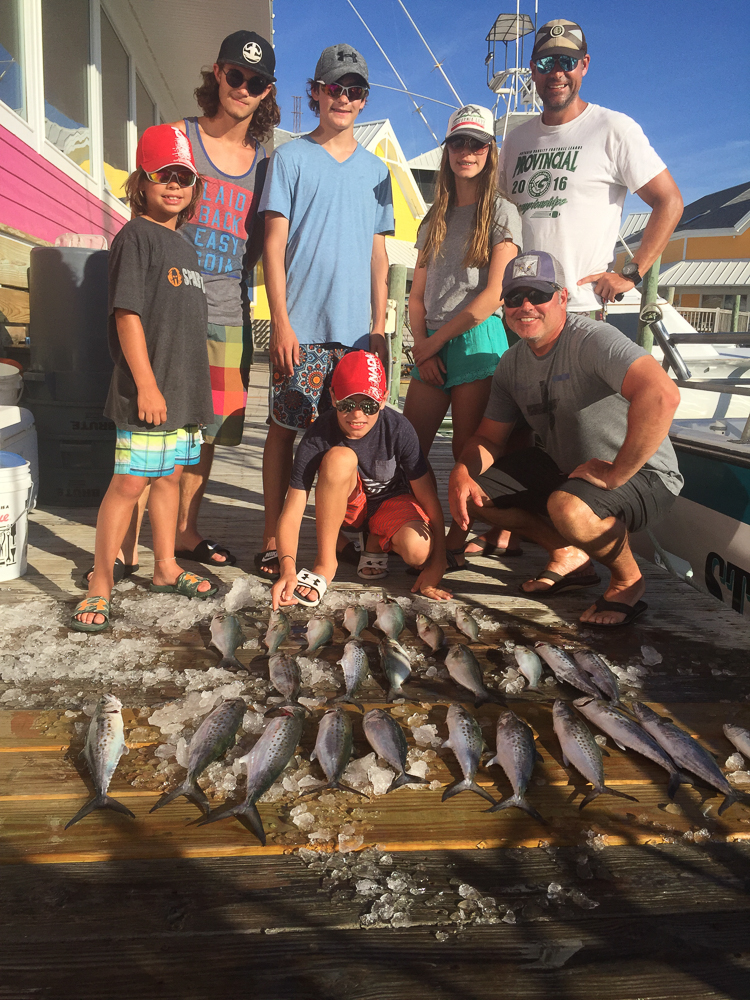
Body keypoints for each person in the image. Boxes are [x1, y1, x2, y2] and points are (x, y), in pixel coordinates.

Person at [449, 250, 683, 627]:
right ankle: (568, 554)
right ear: (504, 306)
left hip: (644, 474)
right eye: (514, 297)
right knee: (474, 492)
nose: (525, 306)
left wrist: (617, 472)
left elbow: (662, 394)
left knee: (569, 508)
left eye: (538, 294)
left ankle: (627, 580)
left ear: (561, 298)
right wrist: (462, 469)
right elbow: (489, 438)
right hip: (572, 473)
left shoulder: (592, 339)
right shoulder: (511, 362)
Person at [71, 126, 217, 633]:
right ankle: (101, 584)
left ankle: (164, 566)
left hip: (182, 390)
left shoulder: (185, 245)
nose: (174, 185)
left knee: (170, 478)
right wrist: (148, 385)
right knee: (129, 483)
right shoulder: (135, 236)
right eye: (163, 175)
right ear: (141, 181)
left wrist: (191, 389)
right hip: (147, 391)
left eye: (184, 177)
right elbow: (127, 314)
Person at [257, 43, 394, 580]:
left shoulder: (377, 171)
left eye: (355, 90)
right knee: (283, 430)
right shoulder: (288, 158)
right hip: (302, 330)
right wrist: (282, 321)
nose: (344, 97)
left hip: (358, 338)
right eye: (335, 87)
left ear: (364, 100)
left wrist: (380, 327)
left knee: (354, 438)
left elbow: (379, 255)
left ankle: (342, 540)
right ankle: (274, 535)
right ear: (315, 92)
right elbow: (273, 246)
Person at [171, 29, 280, 567]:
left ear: (266, 92)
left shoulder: (264, 164)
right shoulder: (178, 139)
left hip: (228, 314)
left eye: (255, 81)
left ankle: (184, 532)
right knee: (160, 429)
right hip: (170, 314)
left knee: (208, 434)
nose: (243, 87)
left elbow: (258, 248)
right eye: (235, 74)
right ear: (217, 73)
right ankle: (141, 535)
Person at [402, 104, 521, 567]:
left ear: (490, 151)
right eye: (458, 142)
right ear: (447, 150)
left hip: (477, 341)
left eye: (476, 143)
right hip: (431, 342)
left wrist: (432, 344)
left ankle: (459, 534)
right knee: (409, 443)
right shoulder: (433, 218)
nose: (466, 151)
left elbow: (494, 293)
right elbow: (416, 295)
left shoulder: (503, 214)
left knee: (466, 449)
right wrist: (422, 345)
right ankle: (410, 521)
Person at [497, 18, 683, 312]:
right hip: (517, 308)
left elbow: (669, 200)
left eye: (566, 61)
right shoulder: (515, 140)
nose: (557, 73)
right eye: (546, 63)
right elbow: (497, 220)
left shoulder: (613, 128)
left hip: (579, 308)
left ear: (584, 64)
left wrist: (631, 273)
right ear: (533, 70)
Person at [271, 351, 451, 609]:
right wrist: (287, 568)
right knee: (339, 458)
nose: (356, 415)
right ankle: (326, 563)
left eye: (368, 405)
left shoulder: (399, 428)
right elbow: (293, 510)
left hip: (390, 503)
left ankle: (376, 540)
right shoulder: (318, 434)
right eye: (346, 404)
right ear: (332, 397)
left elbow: (428, 497)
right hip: (347, 507)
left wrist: (438, 563)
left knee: (419, 551)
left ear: (383, 399)